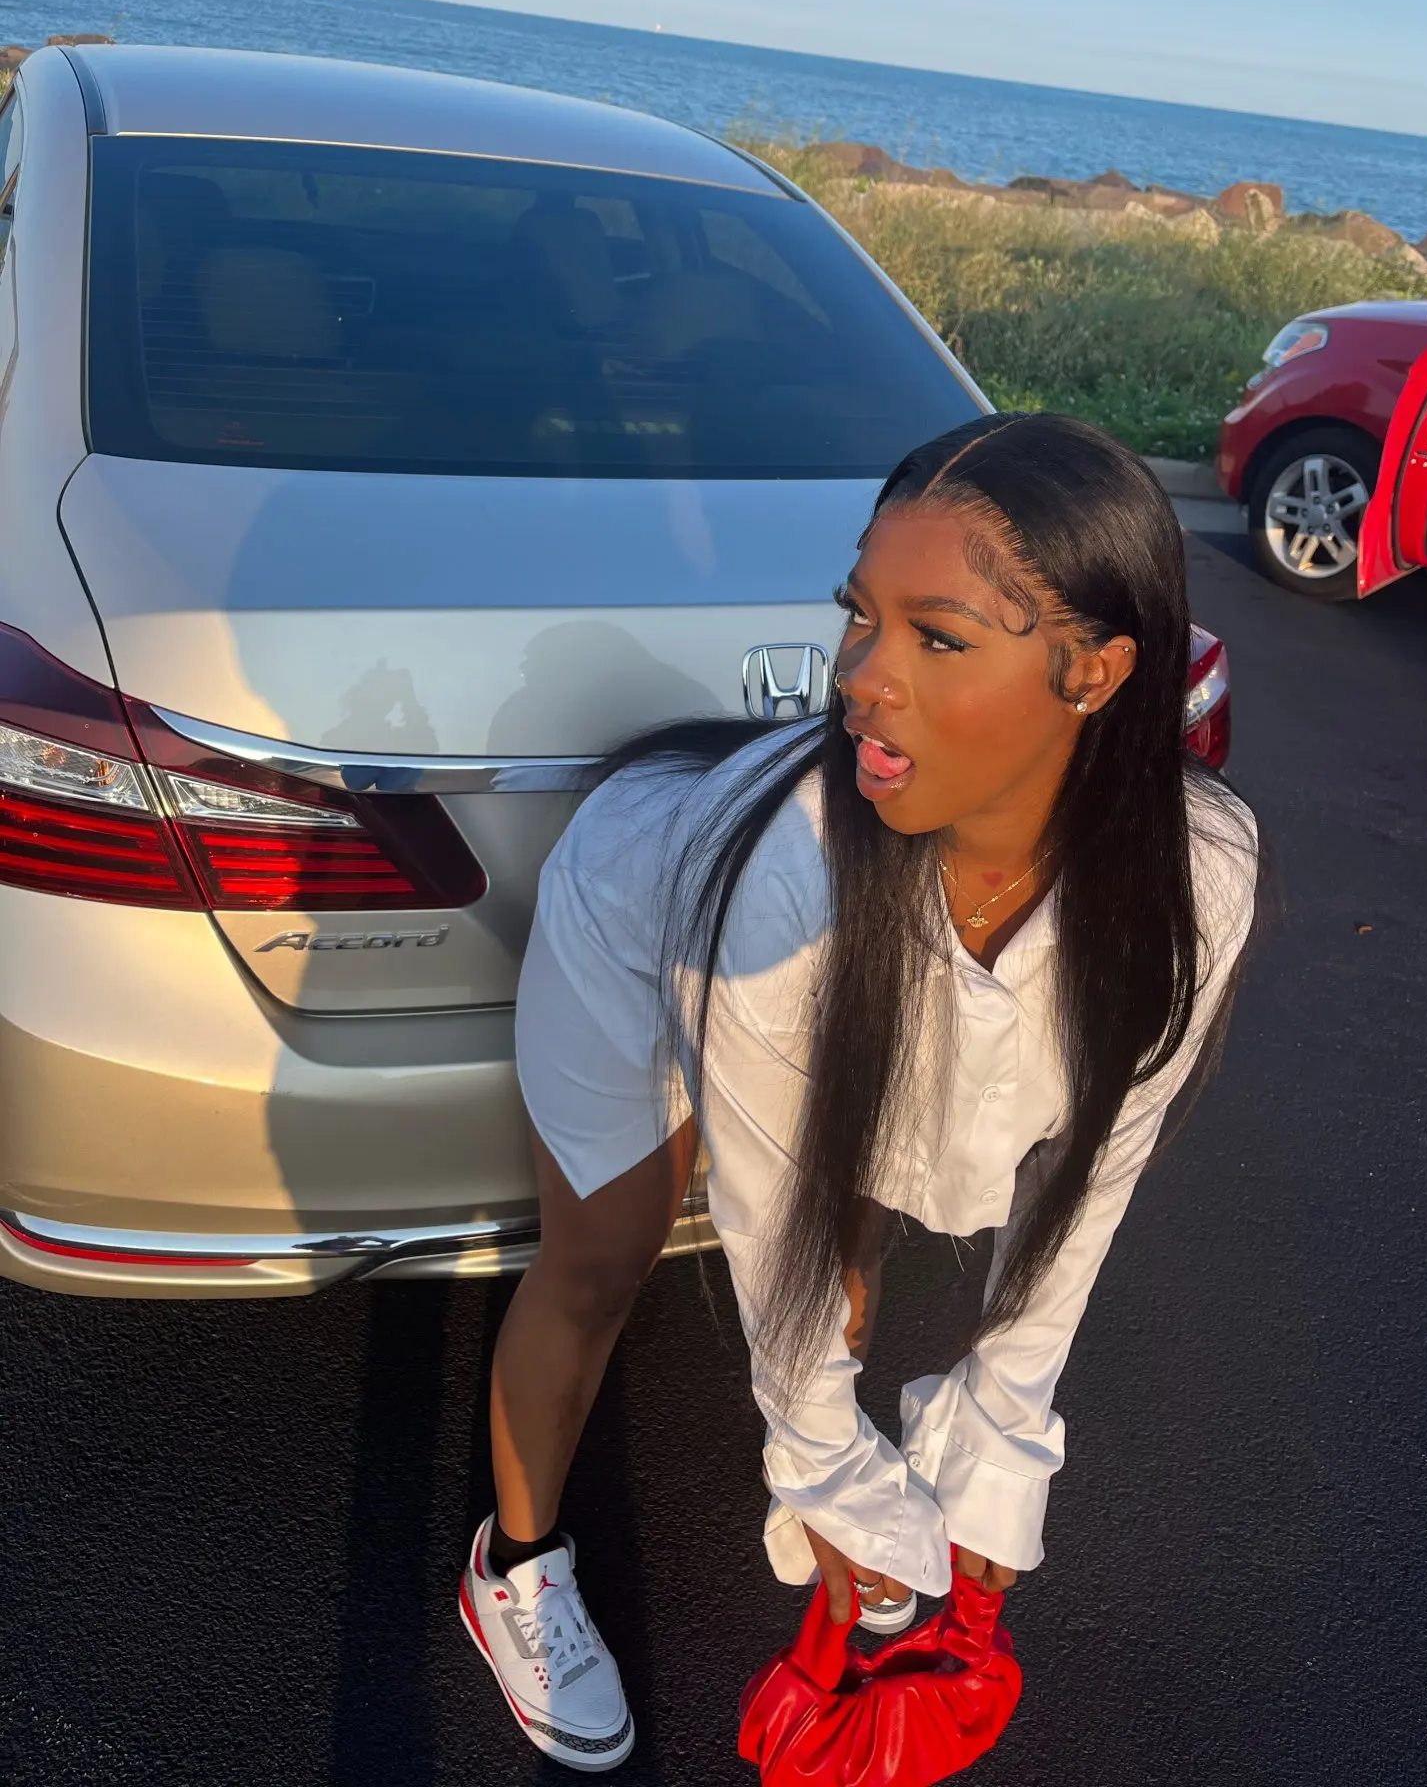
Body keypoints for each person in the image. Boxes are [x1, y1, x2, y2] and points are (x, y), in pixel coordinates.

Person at [457, 414, 1260, 1770]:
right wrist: (828, 1465)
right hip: (636, 915)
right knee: (600, 1262)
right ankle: (514, 1569)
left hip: (819, 964)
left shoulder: (1200, 877)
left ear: (1095, 669)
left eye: (936, 638)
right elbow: (779, 1218)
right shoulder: (791, 878)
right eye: (860, 618)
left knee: (860, 1251)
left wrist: (997, 1448)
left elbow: (1084, 1193)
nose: (860, 681)